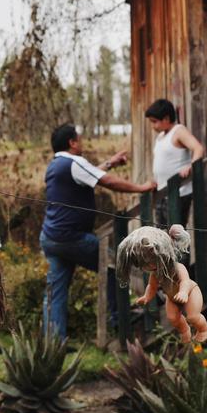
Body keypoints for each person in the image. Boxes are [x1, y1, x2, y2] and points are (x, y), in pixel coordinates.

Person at [41, 124, 156, 339]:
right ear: (72, 143)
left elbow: (89, 175)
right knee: (114, 266)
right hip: (71, 237)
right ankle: (118, 320)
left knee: (55, 293)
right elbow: (106, 181)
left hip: (51, 238)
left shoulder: (56, 165)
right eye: (80, 139)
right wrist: (141, 187)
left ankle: (53, 344)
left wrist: (110, 162)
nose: (82, 142)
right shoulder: (74, 162)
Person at [145, 99, 204, 227]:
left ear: (166, 118)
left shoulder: (178, 131)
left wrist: (190, 166)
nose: (153, 126)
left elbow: (198, 148)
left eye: (155, 122)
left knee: (175, 235)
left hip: (178, 193)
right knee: (161, 234)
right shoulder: (160, 136)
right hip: (161, 192)